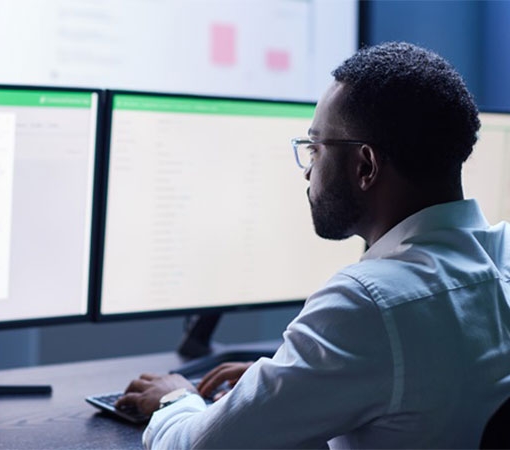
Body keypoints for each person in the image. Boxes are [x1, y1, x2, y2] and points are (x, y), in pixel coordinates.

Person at [116, 41, 510, 448]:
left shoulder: (369, 305)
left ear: (365, 166)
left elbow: (195, 446)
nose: (308, 173)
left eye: (315, 148)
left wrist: (174, 397)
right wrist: (292, 380)